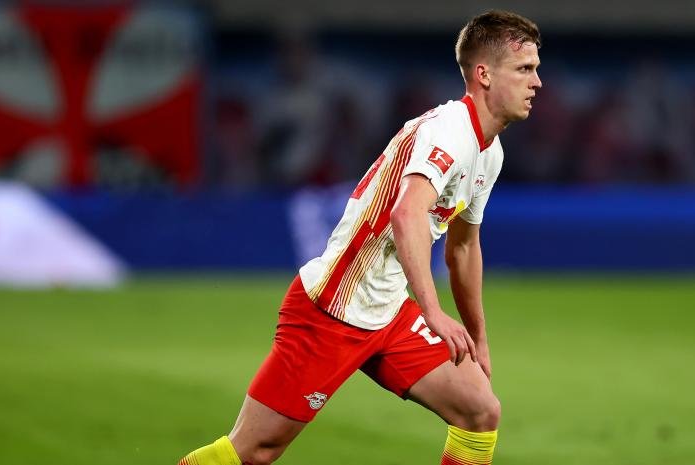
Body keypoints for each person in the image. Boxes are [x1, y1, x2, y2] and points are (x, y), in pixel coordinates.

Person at [178, 10, 542, 465]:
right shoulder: (449, 132)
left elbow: (464, 248)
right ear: (484, 74)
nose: (537, 82)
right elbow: (406, 214)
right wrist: (433, 312)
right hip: (333, 309)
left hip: (388, 312)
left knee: (480, 411)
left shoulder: (490, 152)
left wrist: (478, 337)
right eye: (524, 69)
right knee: (254, 451)